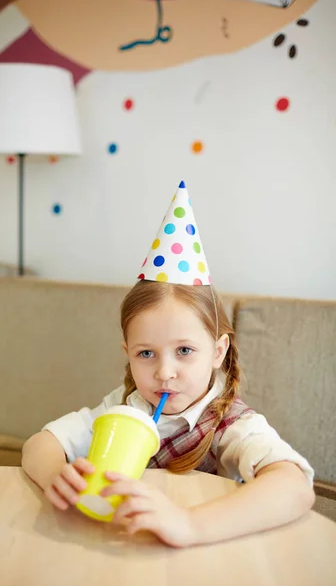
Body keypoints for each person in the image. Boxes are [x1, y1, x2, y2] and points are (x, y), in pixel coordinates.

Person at [22, 181, 315, 548]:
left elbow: (295, 488)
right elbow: (40, 444)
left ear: (218, 352)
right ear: (127, 351)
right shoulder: (126, 408)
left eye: (185, 351)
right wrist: (59, 479)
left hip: (210, 554)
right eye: (146, 353)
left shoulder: (229, 423)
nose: (164, 372)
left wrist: (190, 524)